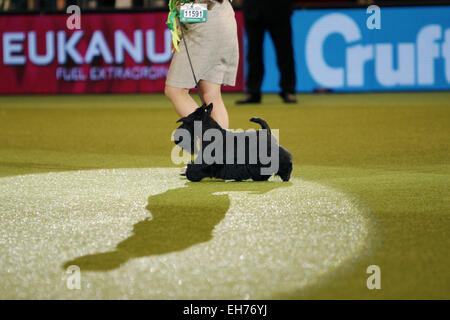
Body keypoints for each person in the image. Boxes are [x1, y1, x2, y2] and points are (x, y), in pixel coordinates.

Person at [165, 0, 239, 129]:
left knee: (175, 90)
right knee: (211, 95)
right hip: (222, 17)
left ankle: (212, 138)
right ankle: (220, 147)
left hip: (205, 23)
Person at [236, 0, 297, 104]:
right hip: (253, 8)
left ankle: (288, 90)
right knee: (253, 54)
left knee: (285, 53)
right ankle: (252, 92)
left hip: (279, 9)